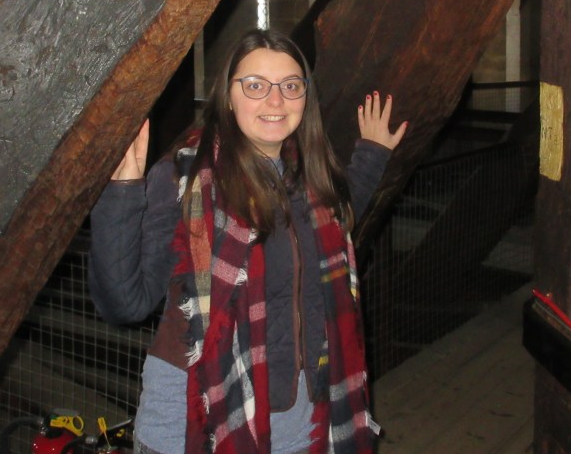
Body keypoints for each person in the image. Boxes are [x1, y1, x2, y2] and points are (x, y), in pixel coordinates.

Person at [89, 28, 407, 454]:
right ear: (229, 95)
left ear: (304, 98)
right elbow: (124, 302)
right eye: (255, 85)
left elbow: (337, 223)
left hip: (301, 426)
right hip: (194, 426)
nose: (275, 101)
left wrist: (372, 153)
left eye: (290, 86)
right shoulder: (185, 179)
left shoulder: (308, 178)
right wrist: (122, 192)